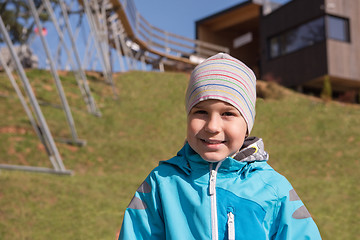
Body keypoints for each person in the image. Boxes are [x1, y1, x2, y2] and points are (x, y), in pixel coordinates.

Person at [119, 53, 322, 239]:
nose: (213, 126)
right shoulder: (161, 183)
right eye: (201, 112)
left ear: (247, 126)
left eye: (228, 114)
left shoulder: (274, 189)